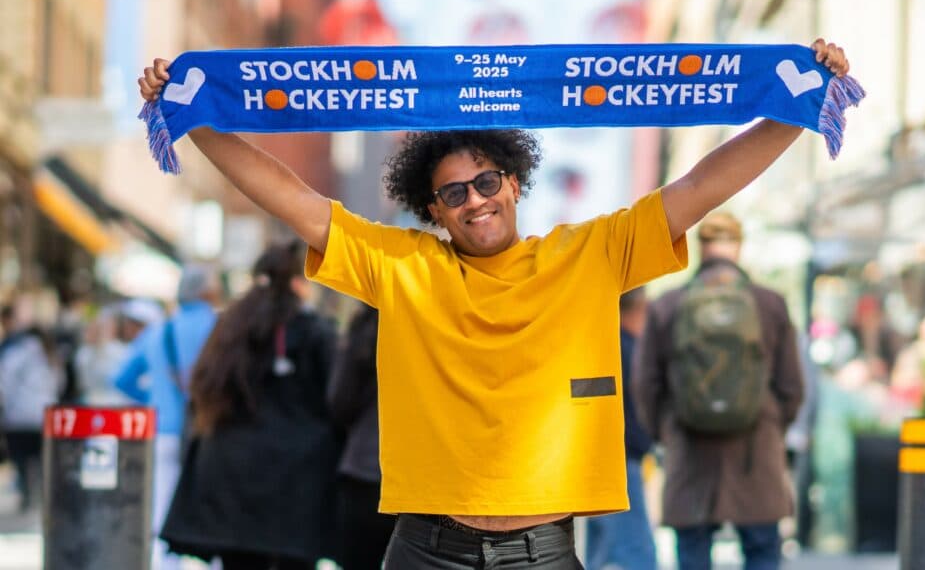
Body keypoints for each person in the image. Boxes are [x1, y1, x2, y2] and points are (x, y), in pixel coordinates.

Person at [139, 39, 849, 569]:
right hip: (426, 548)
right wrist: (196, 118)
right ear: (433, 210)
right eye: (454, 193)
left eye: (485, 182)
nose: (474, 200)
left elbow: (702, 186)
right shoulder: (402, 266)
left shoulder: (590, 253)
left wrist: (796, 108)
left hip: (544, 551)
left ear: (513, 183)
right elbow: (295, 201)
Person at [632, 212, 804, 570]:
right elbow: (791, 386)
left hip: (690, 449)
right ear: (738, 247)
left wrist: (666, 431)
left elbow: (645, 384)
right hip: (756, 451)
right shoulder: (769, 303)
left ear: (701, 248)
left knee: (693, 551)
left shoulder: (667, 306)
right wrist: (772, 425)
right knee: (762, 551)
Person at [160, 242, 340, 570]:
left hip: (230, 467)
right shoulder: (314, 331)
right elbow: (336, 398)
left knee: (239, 562)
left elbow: (203, 387)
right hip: (297, 475)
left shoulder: (229, 327)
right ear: (299, 283)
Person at [111, 266, 220, 570]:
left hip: (163, 431)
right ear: (208, 292)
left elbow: (120, 378)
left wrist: (154, 400)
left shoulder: (158, 332)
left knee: (162, 511)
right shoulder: (221, 327)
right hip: (210, 432)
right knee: (214, 507)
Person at [586, 288, 658, 569]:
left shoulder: (602, 342)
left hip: (598, 458)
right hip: (621, 459)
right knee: (636, 549)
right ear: (639, 309)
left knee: (600, 548)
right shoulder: (627, 348)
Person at [327, 302, 396, 569]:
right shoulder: (439, 319)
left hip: (364, 467)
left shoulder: (367, 327)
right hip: (423, 479)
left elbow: (340, 401)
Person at [0, 302, 61, 512]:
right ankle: (43, 497)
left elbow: (4, 382)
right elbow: (58, 384)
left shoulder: (15, 353)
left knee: (22, 460)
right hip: (45, 415)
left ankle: (27, 496)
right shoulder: (50, 356)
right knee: (43, 460)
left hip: (18, 416)